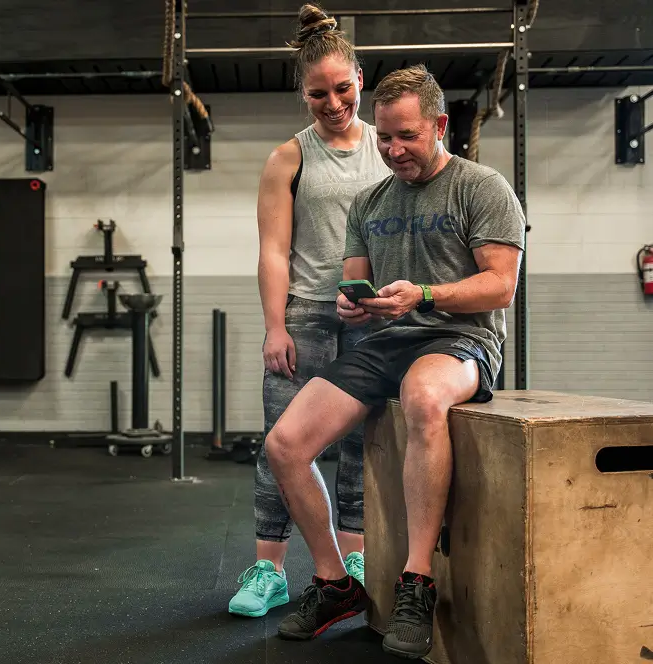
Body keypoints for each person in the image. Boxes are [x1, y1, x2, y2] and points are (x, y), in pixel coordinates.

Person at [263, 64, 526, 657]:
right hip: (390, 337)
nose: (392, 149)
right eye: (384, 137)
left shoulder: (481, 187)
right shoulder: (369, 201)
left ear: (438, 125)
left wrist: (425, 295)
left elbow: (500, 286)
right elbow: (356, 283)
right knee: (284, 446)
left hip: (462, 340)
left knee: (422, 397)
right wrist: (356, 306)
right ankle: (334, 583)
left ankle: (416, 581)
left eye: (406, 135)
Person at [227, 4, 391, 618]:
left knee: (361, 452)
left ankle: (352, 562)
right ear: (304, 93)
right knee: (281, 446)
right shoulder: (288, 159)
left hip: (374, 317)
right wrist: (275, 326)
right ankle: (268, 569)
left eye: (343, 88)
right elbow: (272, 251)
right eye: (319, 92)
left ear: (359, 79)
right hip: (304, 315)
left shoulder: (388, 149)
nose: (334, 102)